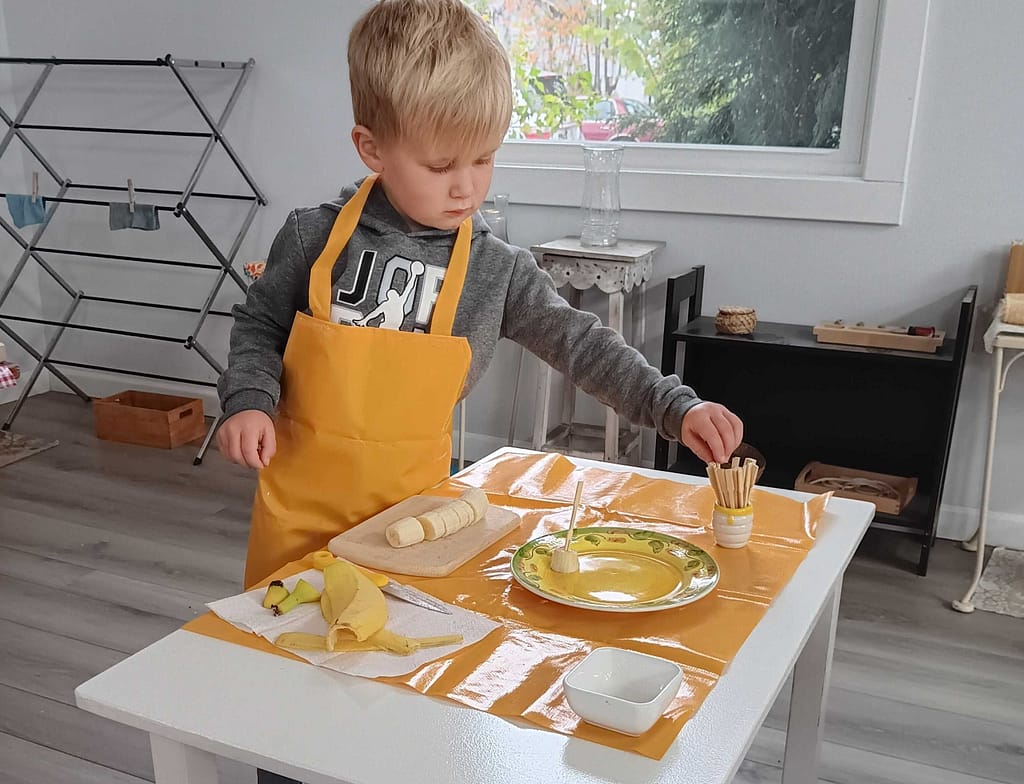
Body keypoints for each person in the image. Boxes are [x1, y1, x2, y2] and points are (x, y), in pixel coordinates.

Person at [217, 0, 743, 593]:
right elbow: (260, 325)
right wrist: (250, 400)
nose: (467, 185)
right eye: (440, 164)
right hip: (300, 522)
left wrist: (673, 405)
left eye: (485, 158)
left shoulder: (497, 271)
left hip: (414, 523)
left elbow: (582, 344)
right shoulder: (313, 237)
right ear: (372, 149)